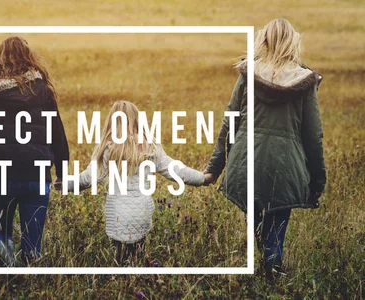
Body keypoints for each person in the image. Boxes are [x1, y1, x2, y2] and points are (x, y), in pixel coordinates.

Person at [204, 19, 326, 279]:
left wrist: (214, 168)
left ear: (265, 41)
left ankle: (262, 271)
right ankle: (271, 271)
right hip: (286, 169)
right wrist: (318, 179)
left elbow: (230, 122)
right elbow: (313, 136)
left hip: (246, 163)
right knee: (275, 229)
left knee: (256, 224)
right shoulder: (304, 81)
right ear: (294, 43)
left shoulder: (249, 74)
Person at [67, 101, 207, 265]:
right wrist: (202, 178)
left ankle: (123, 286)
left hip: (118, 216)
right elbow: (176, 170)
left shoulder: (108, 150)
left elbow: (86, 179)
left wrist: (66, 185)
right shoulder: (150, 148)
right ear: (137, 120)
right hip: (142, 214)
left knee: (120, 261)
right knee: (138, 258)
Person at [0, 36, 69, 266]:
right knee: (33, 245)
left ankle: (9, 269)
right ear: (30, 59)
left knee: (1, 235)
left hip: (0, 177)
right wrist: (62, 174)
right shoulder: (42, 90)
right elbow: (57, 135)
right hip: (36, 176)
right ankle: (29, 277)